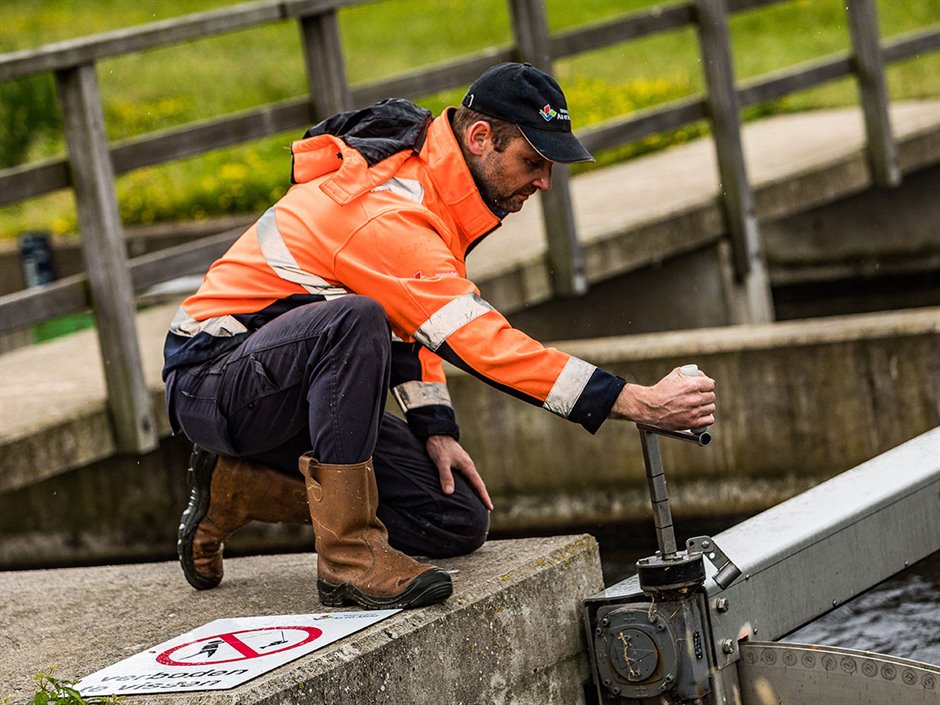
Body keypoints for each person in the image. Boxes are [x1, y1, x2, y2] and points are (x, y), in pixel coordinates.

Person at [162, 62, 716, 611]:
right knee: (355, 320)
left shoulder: (428, 188)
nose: (544, 182)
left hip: (288, 388)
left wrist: (436, 429)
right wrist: (634, 400)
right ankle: (349, 562)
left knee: (455, 519)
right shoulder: (386, 209)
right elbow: (479, 340)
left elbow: (423, 316)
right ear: (480, 138)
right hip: (212, 380)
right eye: (533, 161)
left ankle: (237, 489)